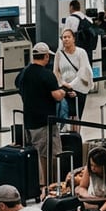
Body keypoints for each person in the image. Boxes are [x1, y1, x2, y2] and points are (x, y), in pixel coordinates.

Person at [16, 43, 64, 189]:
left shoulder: (23, 73)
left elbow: (18, 85)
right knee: (50, 155)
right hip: (45, 122)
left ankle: (38, 185)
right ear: (47, 56)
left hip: (29, 121)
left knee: (36, 155)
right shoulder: (47, 74)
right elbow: (57, 96)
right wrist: (63, 92)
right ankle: (50, 186)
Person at [54, 28, 93, 124]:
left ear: (73, 39)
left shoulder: (81, 52)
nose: (66, 39)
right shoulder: (59, 54)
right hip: (64, 89)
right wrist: (63, 83)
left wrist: (71, 86)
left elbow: (83, 71)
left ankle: (75, 137)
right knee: (64, 113)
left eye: (68, 37)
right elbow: (56, 71)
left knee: (76, 117)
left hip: (79, 88)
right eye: (64, 37)